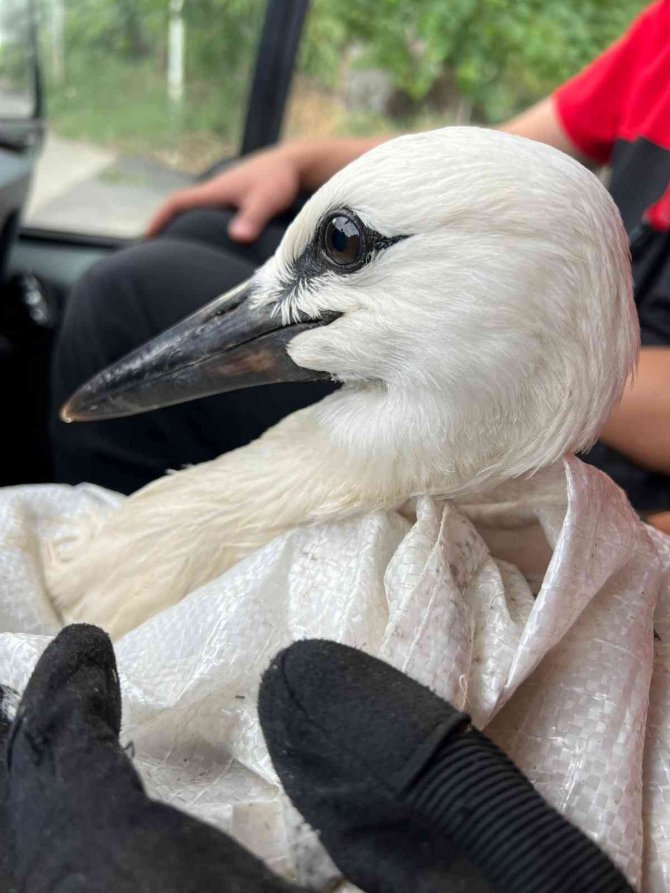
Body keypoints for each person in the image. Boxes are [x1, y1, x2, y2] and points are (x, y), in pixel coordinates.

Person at [52, 0, 670, 520]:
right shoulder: (660, 36)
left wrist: (546, 363)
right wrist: (300, 157)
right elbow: (488, 165)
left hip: (574, 442)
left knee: (123, 298)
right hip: (527, 348)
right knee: (212, 220)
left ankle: (122, 609)